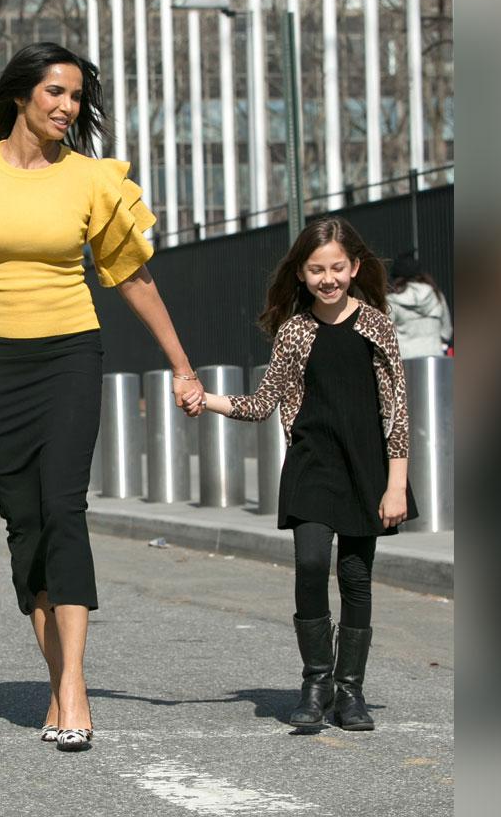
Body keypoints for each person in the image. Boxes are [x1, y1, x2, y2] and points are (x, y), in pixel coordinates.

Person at [0, 42, 204, 753]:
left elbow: (133, 277)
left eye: (76, 97)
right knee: (26, 525)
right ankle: (59, 681)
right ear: (20, 96)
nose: (68, 108)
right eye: (56, 93)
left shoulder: (93, 181)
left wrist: (183, 366)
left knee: (64, 510)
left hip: (71, 353)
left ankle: (72, 690)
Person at [201, 216, 415, 731]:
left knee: (357, 578)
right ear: (300, 273)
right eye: (316, 269)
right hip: (311, 465)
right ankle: (316, 682)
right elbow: (262, 402)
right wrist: (205, 400)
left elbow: (399, 408)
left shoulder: (376, 325)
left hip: (367, 469)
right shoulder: (295, 331)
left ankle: (350, 692)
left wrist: (396, 484)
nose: (328, 278)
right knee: (313, 562)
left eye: (337, 268)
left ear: (355, 267)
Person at [386, 252, 452, 357]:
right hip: (434, 361)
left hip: (404, 363)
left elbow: (386, 335)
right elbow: (446, 332)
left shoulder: (391, 300)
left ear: (396, 277)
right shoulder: (436, 295)